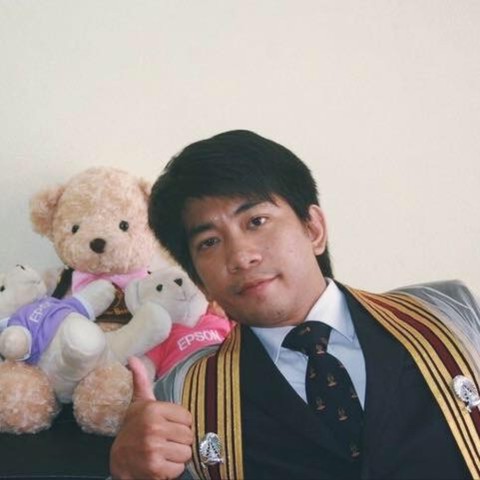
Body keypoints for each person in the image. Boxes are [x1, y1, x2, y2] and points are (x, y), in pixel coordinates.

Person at [110, 130, 480, 479]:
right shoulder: (184, 397)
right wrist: (126, 473)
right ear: (200, 283)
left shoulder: (452, 315)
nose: (240, 256)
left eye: (256, 221)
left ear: (313, 229)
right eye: (209, 242)